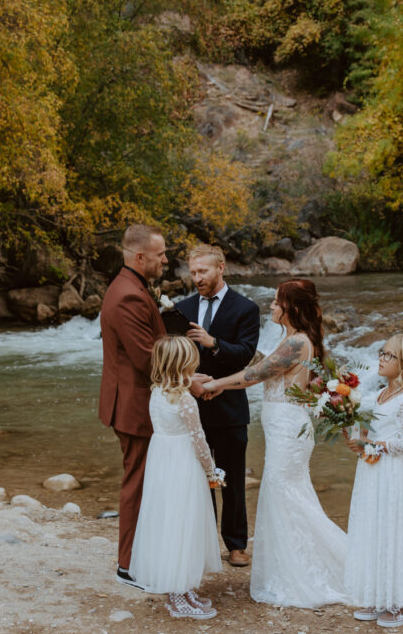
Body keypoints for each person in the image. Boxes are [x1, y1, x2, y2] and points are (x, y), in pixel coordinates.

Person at [202, 279, 347, 608]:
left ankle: (301, 572)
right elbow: (265, 365)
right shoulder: (292, 341)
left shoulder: (297, 342)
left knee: (284, 496)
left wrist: (215, 383)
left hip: (288, 430)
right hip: (285, 428)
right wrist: (224, 348)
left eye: (276, 302)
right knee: (288, 498)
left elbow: (255, 375)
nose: (270, 306)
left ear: (291, 308)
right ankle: (292, 566)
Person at [98, 224, 208, 588]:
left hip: (139, 399)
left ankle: (143, 557)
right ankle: (128, 565)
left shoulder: (132, 286)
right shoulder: (128, 295)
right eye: (160, 254)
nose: (165, 259)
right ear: (139, 257)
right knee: (139, 483)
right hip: (133, 403)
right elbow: (147, 357)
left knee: (146, 480)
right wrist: (189, 381)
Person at [176, 244, 260, 567]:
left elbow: (245, 355)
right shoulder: (182, 308)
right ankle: (205, 541)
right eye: (193, 272)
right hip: (191, 405)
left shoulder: (245, 308)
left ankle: (236, 545)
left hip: (229, 406)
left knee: (233, 479)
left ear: (220, 268)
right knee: (198, 478)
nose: (197, 278)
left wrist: (213, 343)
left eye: (203, 272)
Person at [130, 336, 225, 619]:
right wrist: (211, 470)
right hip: (183, 463)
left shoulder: (157, 391)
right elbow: (199, 440)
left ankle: (183, 589)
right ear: (187, 364)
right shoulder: (185, 400)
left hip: (162, 461)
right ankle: (175, 594)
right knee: (183, 523)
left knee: (170, 521)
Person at [343, 334, 403, 627]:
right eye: (382, 353)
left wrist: (373, 445)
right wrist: (358, 438)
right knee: (375, 529)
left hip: (395, 473)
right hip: (374, 470)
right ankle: (380, 597)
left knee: (395, 531)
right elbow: (374, 433)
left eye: (389, 355)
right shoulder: (381, 393)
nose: (381, 358)